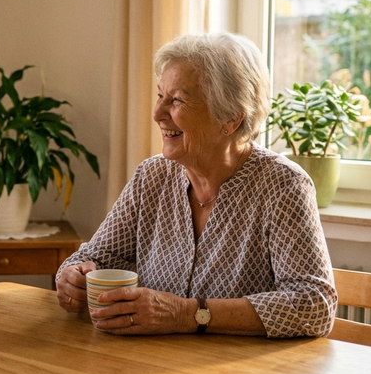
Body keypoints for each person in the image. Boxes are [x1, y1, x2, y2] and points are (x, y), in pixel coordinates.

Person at [55, 32, 336, 338]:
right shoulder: (152, 177)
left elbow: (314, 305)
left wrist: (187, 314)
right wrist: (73, 276)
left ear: (229, 118)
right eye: (160, 96)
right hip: (152, 369)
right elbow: (96, 256)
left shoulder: (282, 186)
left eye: (176, 100)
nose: (157, 114)